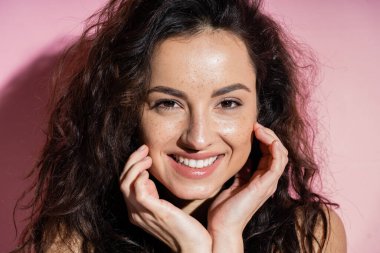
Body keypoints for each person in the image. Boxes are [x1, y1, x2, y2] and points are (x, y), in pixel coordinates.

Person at [13, 0, 346, 252]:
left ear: (262, 109)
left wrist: (225, 237)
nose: (198, 138)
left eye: (228, 103)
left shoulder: (310, 236)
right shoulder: (73, 242)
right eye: (168, 104)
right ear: (128, 111)